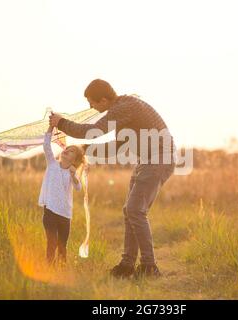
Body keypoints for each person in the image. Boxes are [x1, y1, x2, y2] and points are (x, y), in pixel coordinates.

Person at [49, 79, 175, 278]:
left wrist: (61, 123)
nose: (90, 107)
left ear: (104, 99)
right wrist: (86, 149)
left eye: (92, 102)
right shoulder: (124, 110)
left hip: (159, 159)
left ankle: (150, 267)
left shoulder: (123, 108)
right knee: (130, 211)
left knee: (135, 210)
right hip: (148, 160)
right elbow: (117, 146)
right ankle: (127, 265)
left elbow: (91, 132)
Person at [38, 125, 85, 264]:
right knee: (51, 242)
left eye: (70, 152)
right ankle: (49, 268)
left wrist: (74, 175)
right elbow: (46, 146)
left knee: (62, 245)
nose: (66, 151)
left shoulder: (72, 172)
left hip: (65, 214)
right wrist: (50, 128)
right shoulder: (52, 164)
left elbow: (78, 188)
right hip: (50, 210)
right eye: (67, 149)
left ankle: (62, 269)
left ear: (74, 160)